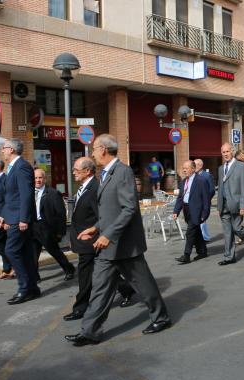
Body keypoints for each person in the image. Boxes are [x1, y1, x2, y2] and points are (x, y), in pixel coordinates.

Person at [66, 134, 171, 347]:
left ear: (103, 149)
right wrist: (95, 229)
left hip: (124, 244)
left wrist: (107, 234)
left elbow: (128, 209)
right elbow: (108, 211)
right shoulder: (105, 174)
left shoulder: (122, 172)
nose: (92, 152)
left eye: (94, 148)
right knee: (100, 288)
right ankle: (90, 331)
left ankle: (161, 318)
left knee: (144, 284)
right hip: (106, 244)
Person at [64, 157, 135, 322]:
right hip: (83, 239)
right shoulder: (84, 187)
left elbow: (103, 217)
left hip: (92, 241)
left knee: (85, 275)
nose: (73, 172)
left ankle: (80, 307)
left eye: (76, 169)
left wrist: (99, 235)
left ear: (87, 171)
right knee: (104, 272)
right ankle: (127, 288)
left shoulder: (96, 188)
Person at [0, 139, 40, 305]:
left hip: (19, 219)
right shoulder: (12, 167)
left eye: (4, 148)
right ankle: (33, 289)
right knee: (24, 253)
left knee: (11, 251)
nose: (2, 150)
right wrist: (4, 215)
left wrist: (23, 218)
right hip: (13, 215)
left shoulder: (21, 166)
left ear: (12, 150)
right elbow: (11, 196)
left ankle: (24, 288)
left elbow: (26, 195)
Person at [216, 143, 244, 266]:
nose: (225, 154)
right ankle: (229, 257)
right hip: (223, 206)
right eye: (223, 152)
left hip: (236, 204)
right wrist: (219, 206)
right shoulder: (220, 168)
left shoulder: (241, 166)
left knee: (237, 228)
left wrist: (243, 206)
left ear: (232, 151)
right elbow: (220, 188)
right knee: (227, 232)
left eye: (227, 151)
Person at [32, 168, 76, 282]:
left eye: (40, 178)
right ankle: (35, 276)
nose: (37, 180)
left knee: (54, 251)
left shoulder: (53, 193)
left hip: (46, 227)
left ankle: (69, 269)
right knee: (32, 253)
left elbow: (60, 214)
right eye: (35, 178)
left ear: (44, 179)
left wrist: (60, 232)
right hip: (33, 226)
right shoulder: (29, 192)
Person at [173, 160, 211, 264]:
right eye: (183, 168)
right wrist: (176, 211)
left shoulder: (201, 181)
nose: (184, 170)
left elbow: (206, 199)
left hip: (197, 211)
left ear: (193, 169)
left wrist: (205, 214)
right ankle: (202, 252)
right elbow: (180, 198)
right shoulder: (183, 181)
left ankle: (186, 255)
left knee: (190, 233)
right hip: (186, 209)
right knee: (196, 231)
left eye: (186, 168)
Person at [194, 158, 215, 241]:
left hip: (204, 202)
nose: (193, 167)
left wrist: (206, 199)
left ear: (200, 166)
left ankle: (204, 238)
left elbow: (212, 190)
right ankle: (202, 237)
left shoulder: (207, 175)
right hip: (195, 202)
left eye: (194, 165)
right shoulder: (194, 175)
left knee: (202, 219)